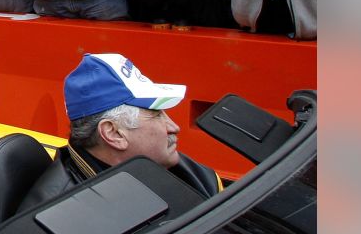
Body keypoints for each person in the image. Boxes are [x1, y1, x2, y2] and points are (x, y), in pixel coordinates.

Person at [20, 53, 223, 211]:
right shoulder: (58, 217)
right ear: (114, 133)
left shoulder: (189, 173)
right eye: (157, 115)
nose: (174, 127)